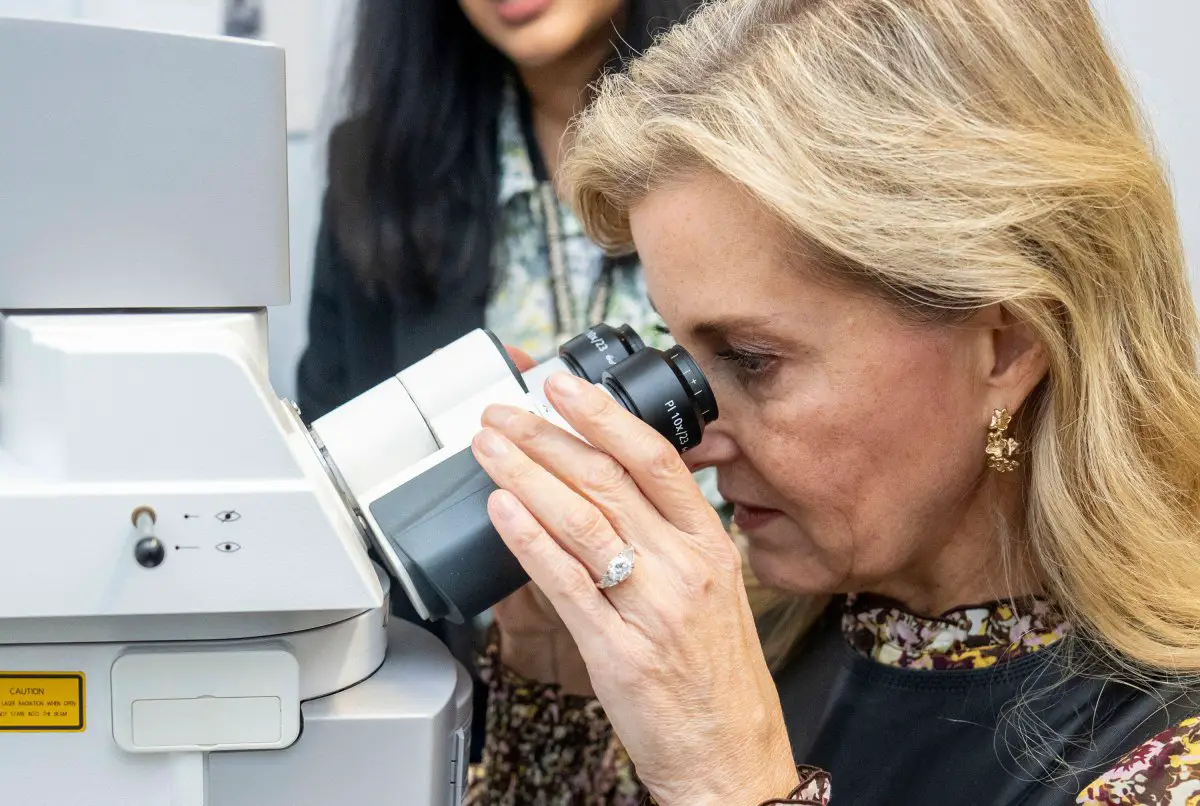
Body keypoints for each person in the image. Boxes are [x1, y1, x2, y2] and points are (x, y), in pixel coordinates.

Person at [463, 0, 1200, 803]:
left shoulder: (1167, 755)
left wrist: (732, 783)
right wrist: (558, 680)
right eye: (681, 354)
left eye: (751, 359)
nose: (696, 439)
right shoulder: (748, 624)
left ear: (1011, 343)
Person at [293, 0, 699, 759]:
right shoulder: (378, 171)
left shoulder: (763, 139)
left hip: (772, 691)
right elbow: (327, 507)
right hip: (493, 720)